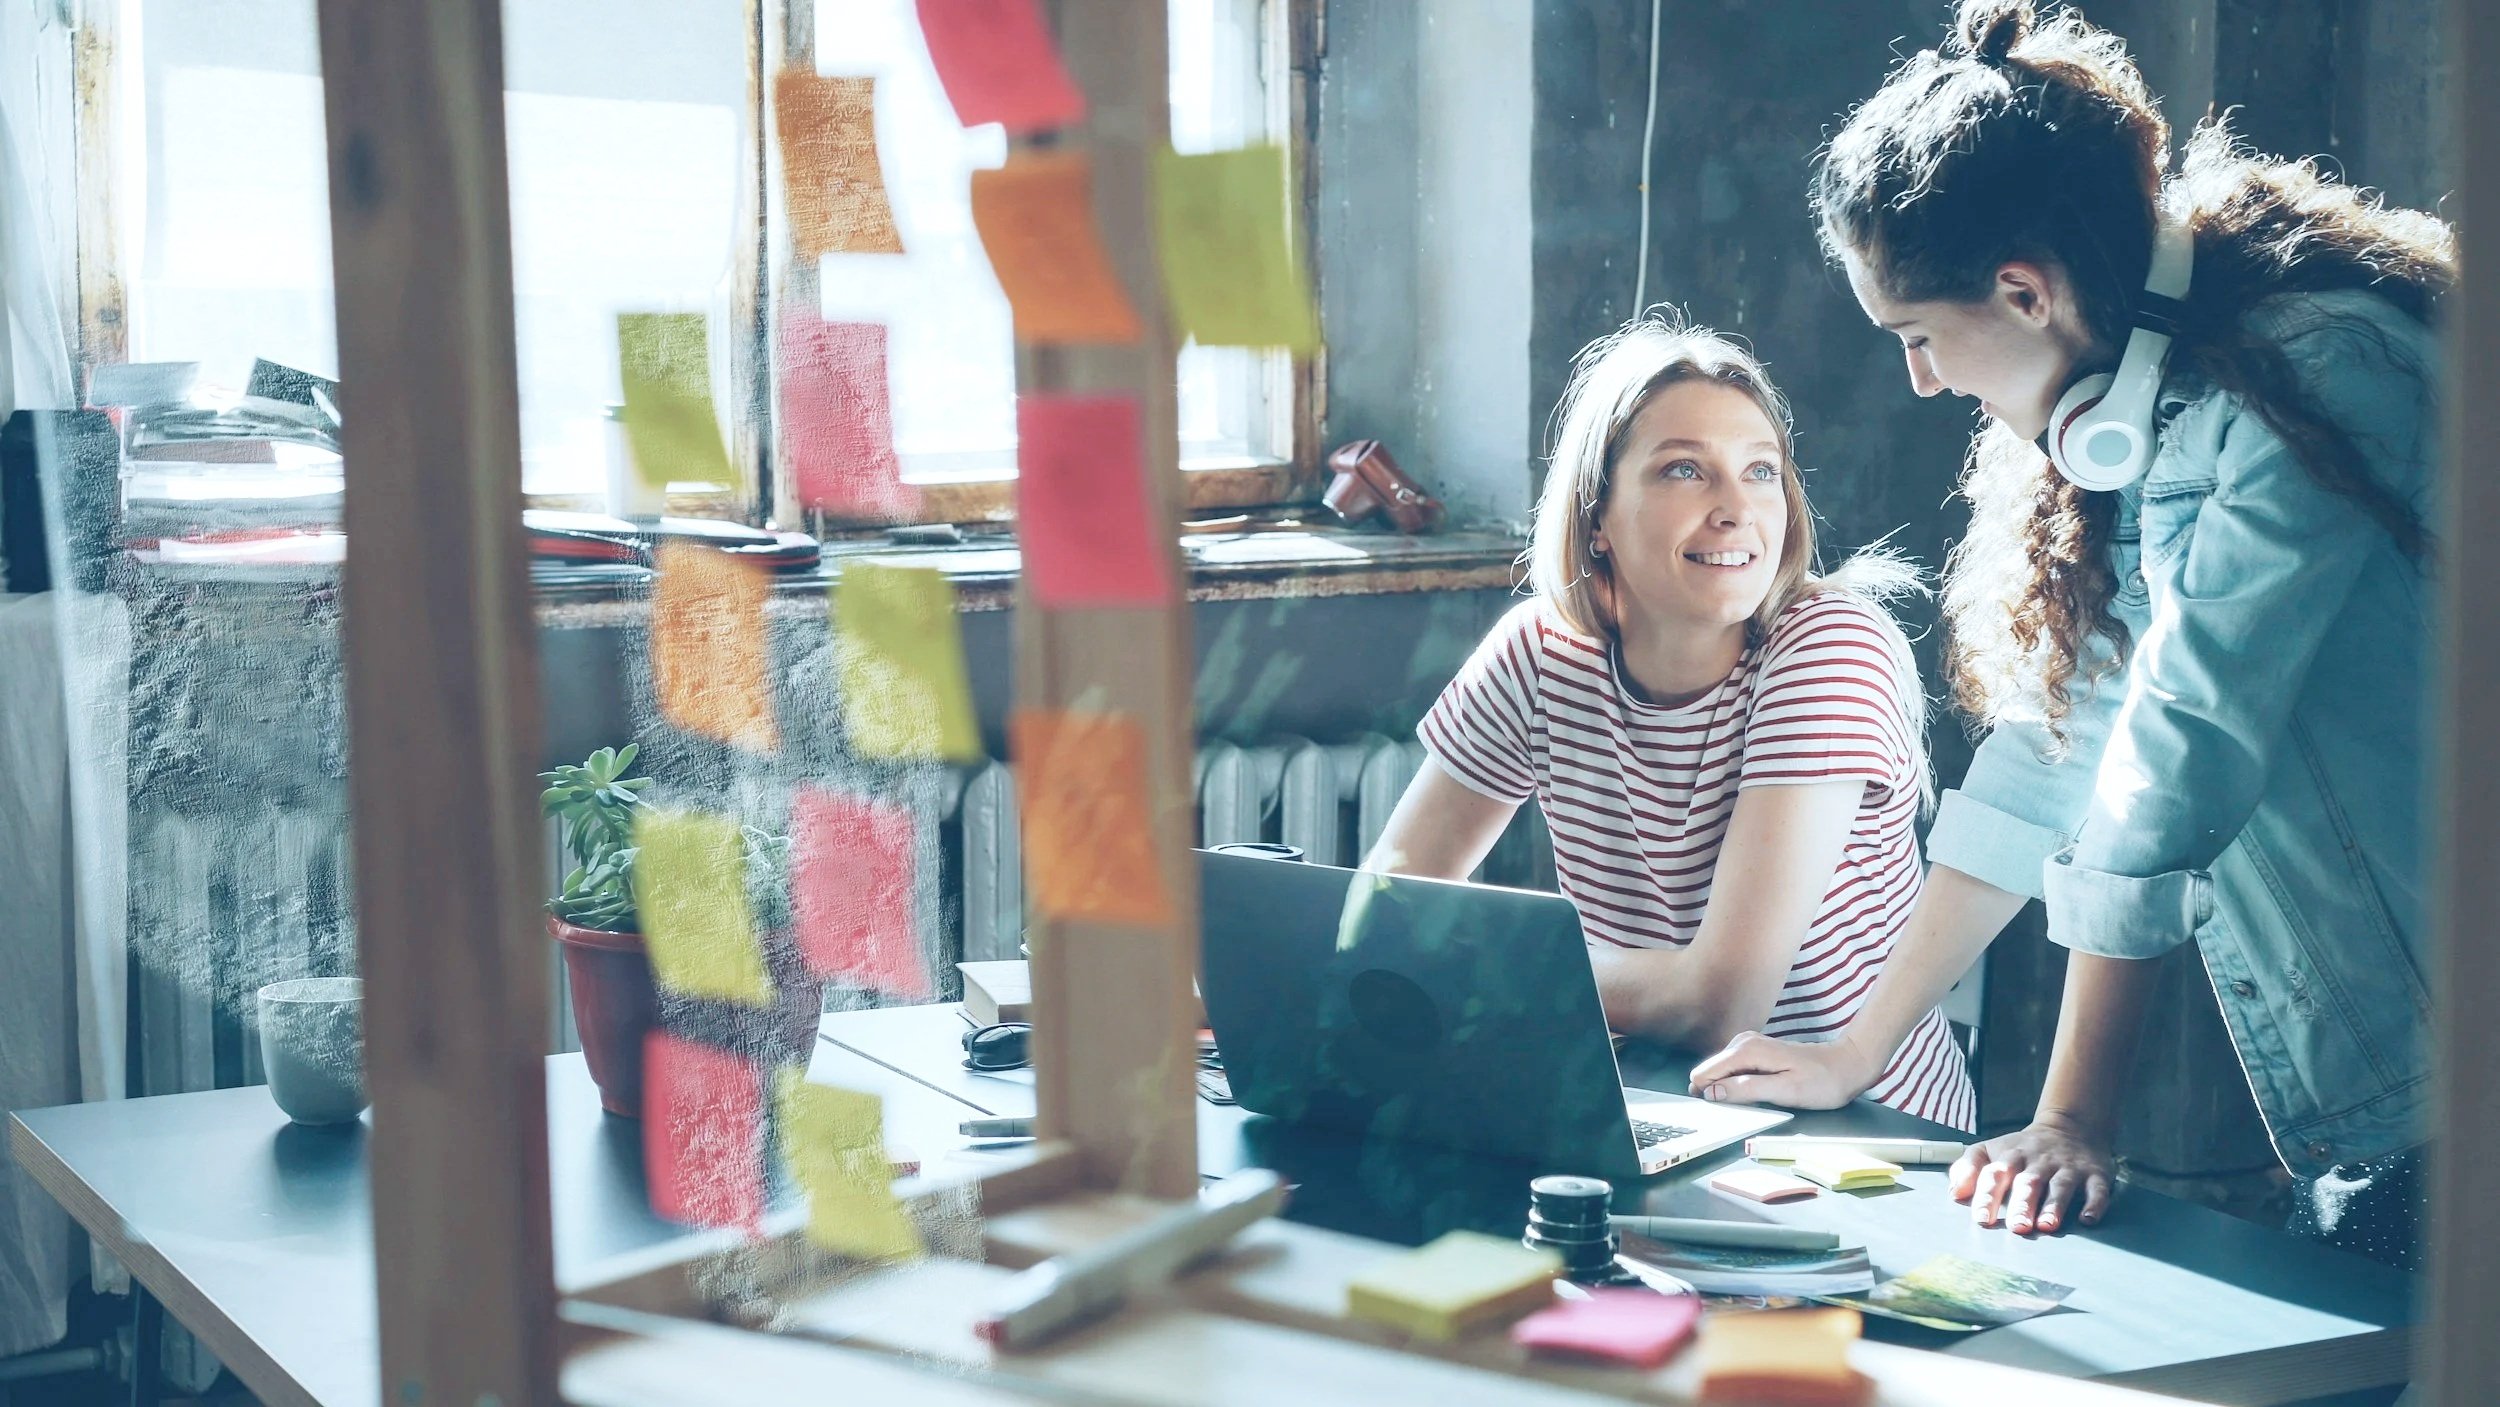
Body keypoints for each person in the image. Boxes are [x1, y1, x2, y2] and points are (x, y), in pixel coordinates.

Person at [1688, 0, 2450, 1271]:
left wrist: (2070, 1117)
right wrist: (1853, 1052)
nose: (1922, 380)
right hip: (2401, 1088)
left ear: (2023, 291)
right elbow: (2063, 748)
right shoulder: (2148, 415)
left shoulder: (2322, 379)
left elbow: (2175, 756)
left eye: (1917, 336)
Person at [1365, 316, 1976, 1131]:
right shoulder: (1540, 654)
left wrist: (1480, 958)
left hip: (1865, 1137)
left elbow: (1722, 1003)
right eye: (1685, 470)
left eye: (1761, 472)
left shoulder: (1831, 646)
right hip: (1653, 1108)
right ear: (1597, 519)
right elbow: (1386, 908)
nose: (1735, 510)